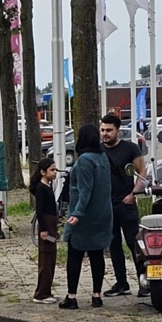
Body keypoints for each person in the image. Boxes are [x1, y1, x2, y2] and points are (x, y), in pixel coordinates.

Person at [60, 124, 113, 310]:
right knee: (97, 254)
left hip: (84, 216)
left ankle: (71, 297)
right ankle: (97, 296)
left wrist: (77, 213)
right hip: (103, 213)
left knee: (75, 254)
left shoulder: (84, 160)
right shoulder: (103, 157)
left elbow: (85, 190)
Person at [100, 113, 147, 297]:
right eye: (102, 130)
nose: (105, 134)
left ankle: (144, 282)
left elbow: (142, 172)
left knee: (134, 243)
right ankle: (121, 283)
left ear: (117, 130)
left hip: (126, 203)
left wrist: (134, 194)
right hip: (107, 205)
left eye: (109, 130)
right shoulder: (98, 150)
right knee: (113, 245)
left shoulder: (130, 149)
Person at [30, 157, 59, 304]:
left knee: (51, 257)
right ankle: (41, 293)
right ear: (43, 172)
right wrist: (44, 229)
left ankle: (46, 291)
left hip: (51, 224)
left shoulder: (48, 186)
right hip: (46, 225)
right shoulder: (41, 188)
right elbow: (40, 210)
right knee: (46, 259)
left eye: (55, 170)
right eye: (52, 170)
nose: (55, 172)